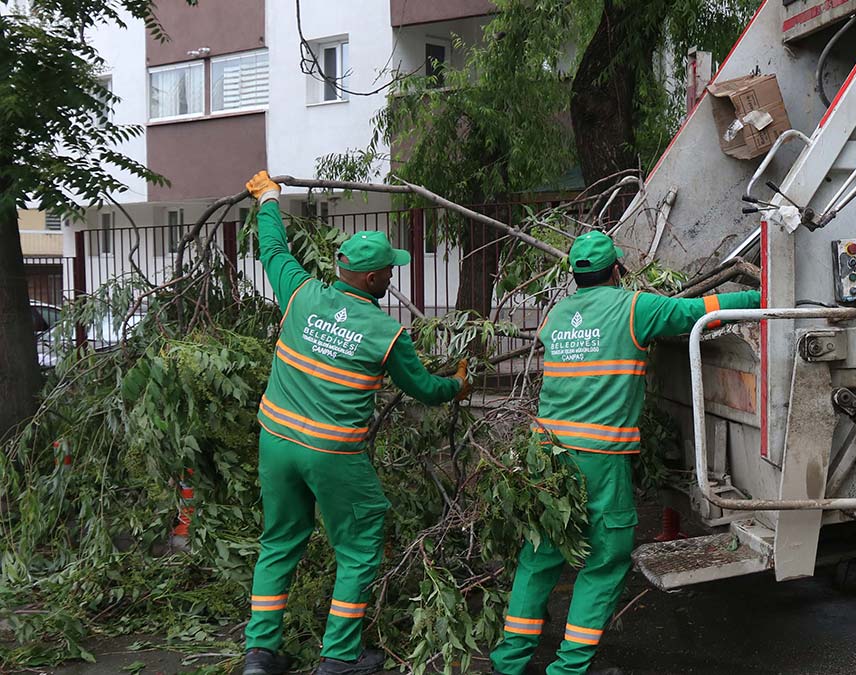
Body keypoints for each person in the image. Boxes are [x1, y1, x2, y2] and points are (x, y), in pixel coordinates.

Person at [489, 231, 761, 675]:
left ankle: (508, 662)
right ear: (617, 269)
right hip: (598, 457)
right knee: (605, 557)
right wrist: (762, 294)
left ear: (574, 275)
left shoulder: (555, 316)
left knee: (539, 556)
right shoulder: (635, 307)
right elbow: (699, 312)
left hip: (547, 455)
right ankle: (570, 668)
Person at [241, 171, 470, 675]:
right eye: (389, 271)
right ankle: (339, 657)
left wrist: (270, 199)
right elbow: (424, 390)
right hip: (333, 454)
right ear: (371, 280)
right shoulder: (386, 333)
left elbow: (273, 250)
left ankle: (260, 655)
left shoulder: (300, 295)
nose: (392, 276)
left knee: (279, 541)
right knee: (362, 541)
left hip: (276, 441)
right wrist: (458, 384)